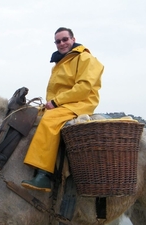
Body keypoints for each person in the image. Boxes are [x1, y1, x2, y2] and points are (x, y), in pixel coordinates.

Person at [21, 27, 104, 192]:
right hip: (62, 103)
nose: (62, 43)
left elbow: (84, 87)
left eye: (65, 39)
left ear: (73, 39)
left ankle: (44, 175)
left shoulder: (85, 58)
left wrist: (56, 102)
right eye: (58, 41)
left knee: (50, 121)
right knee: (30, 115)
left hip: (79, 103)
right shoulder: (60, 63)